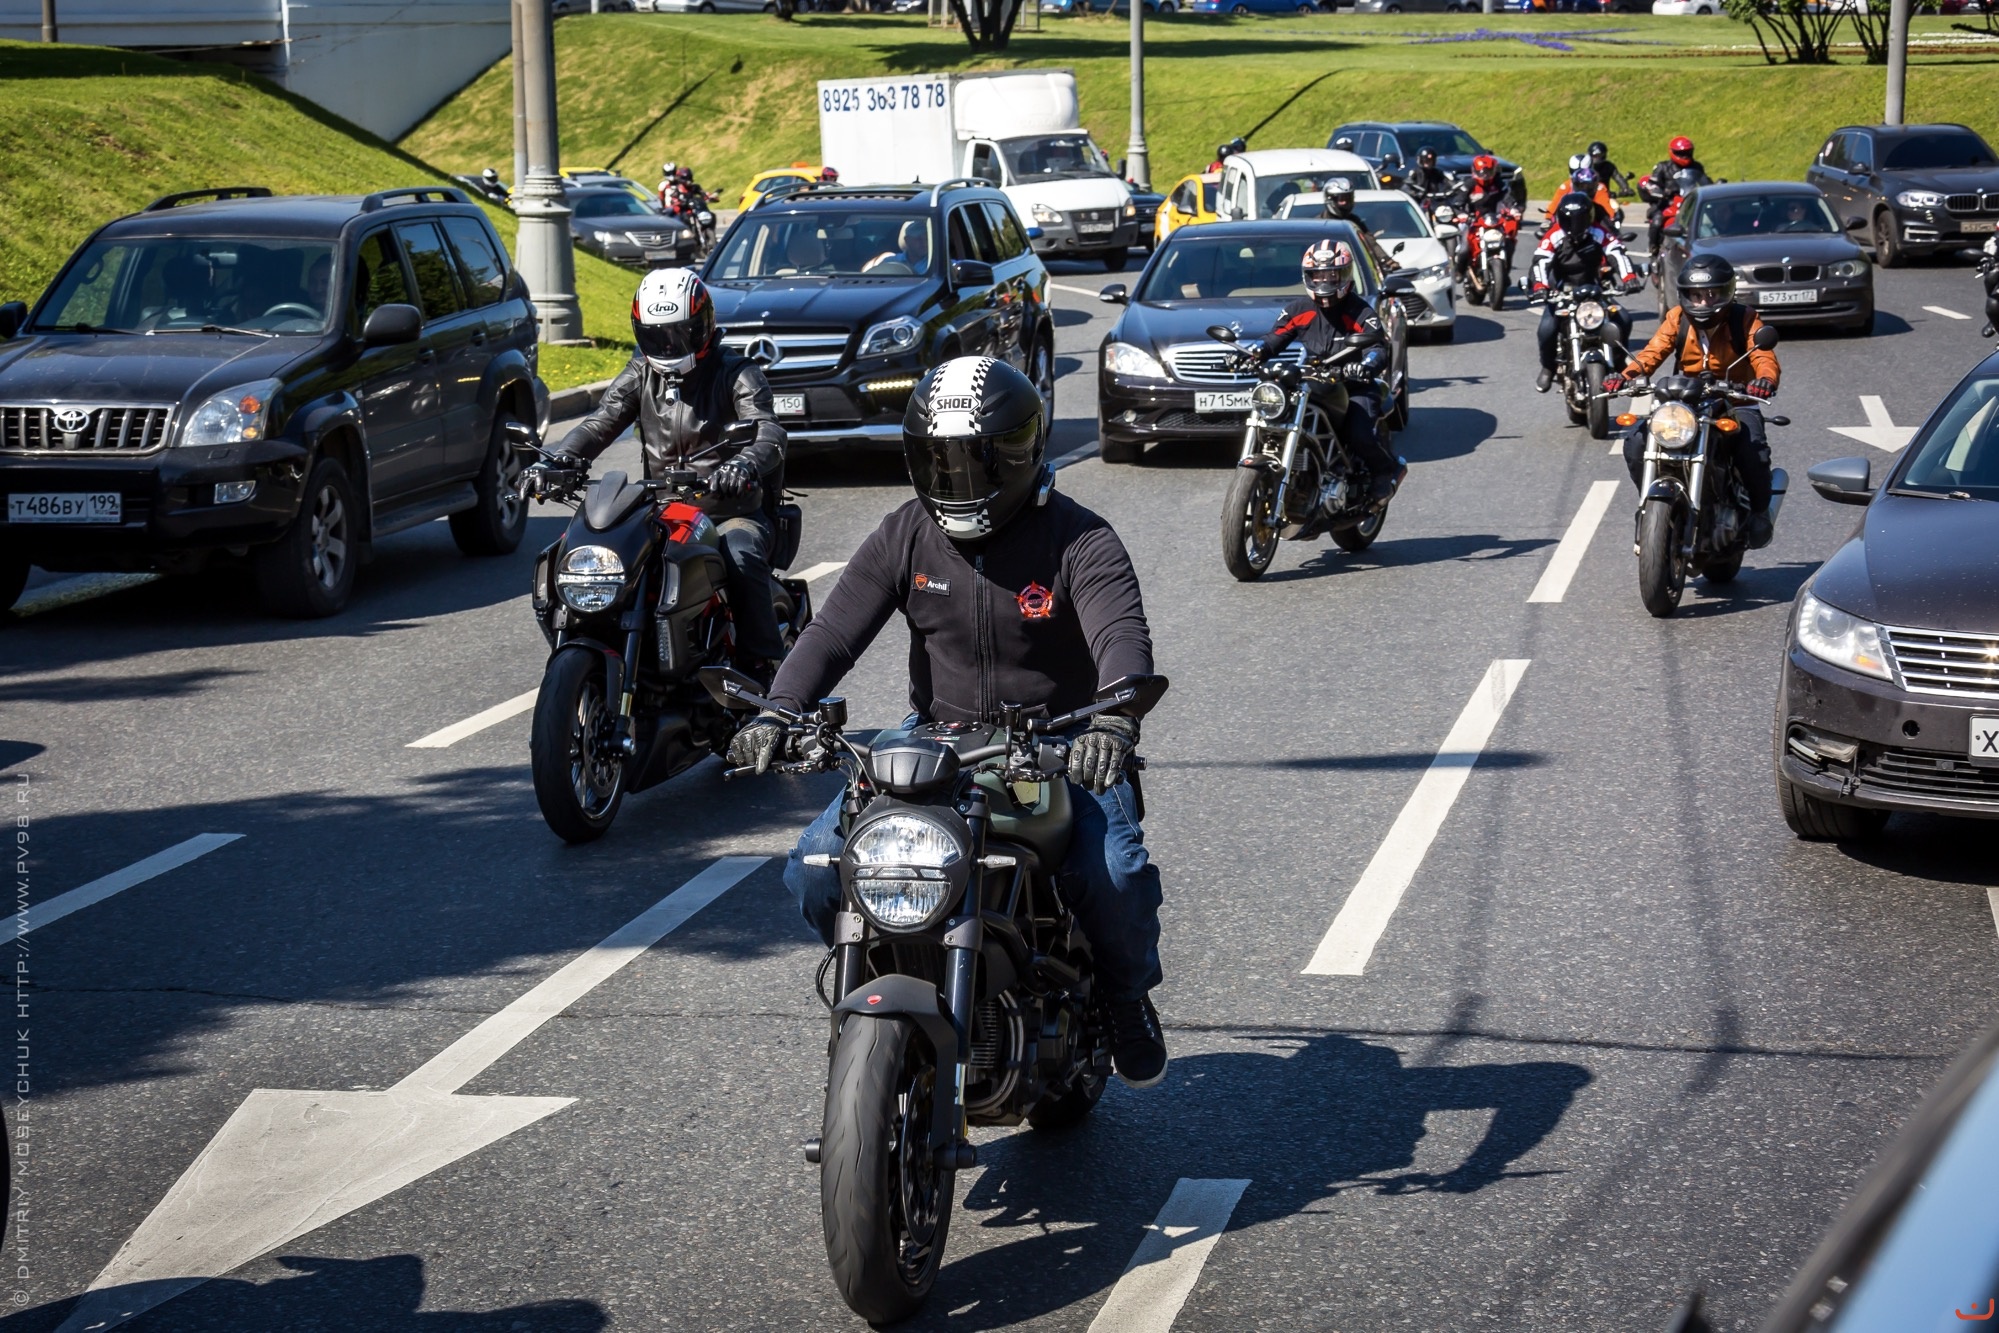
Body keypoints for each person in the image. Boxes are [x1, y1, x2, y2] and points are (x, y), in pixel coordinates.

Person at [730, 356, 1172, 1089]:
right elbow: (832, 634)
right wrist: (780, 709)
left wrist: (1114, 722)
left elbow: (1121, 639)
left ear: (1019, 450)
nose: (955, 478)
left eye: (974, 459)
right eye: (938, 460)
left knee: (1114, 871)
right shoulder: (905, 533)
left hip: (1061, 741)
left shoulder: (1079, 539)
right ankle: (886, 978)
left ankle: (1127, 997)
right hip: (937, 737)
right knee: (814, 868)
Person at [548, 268, 790, 676]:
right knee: (585, 554)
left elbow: (769, 430)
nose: (668, 345)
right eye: (656, 336)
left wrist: (742, 463)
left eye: (680, 333)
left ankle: (764, 667)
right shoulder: (641, 372)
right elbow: (601, 421)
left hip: (728, 511)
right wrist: (557, 460)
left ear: (703, 325)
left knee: (740, 553)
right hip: (660, 511)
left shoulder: (736, 371)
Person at [1605, 255, 1781, 548]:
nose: (1703, 302)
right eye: (1696, 295)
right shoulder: (1676, 318)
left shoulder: (1745, 318)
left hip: (1736, 399)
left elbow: (1763, 356)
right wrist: (1626, 376)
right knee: (1636, 442)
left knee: (1752, 450)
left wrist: (1764, 380)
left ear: (1727, 292)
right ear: (1685, 295)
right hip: (1687, 401)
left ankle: (1759, 512)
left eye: (1712, 295)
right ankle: (1649, 505)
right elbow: (1652, 352)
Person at [1256, 238, 1404, 503]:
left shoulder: (1360, 311)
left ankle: (1386, 470)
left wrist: (1366, 366)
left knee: (1358, 433)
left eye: (1331, 275)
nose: (1324, 281)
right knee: (1276, 417)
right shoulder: (1298, 310)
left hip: (1355, 385)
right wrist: (1253, 353)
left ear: (1344, 275)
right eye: (1317, 275)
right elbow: (1274, 338)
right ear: (1308, 276)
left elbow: (1377, 347)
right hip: (1315, 382)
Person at [1529, 192, 1640, 394]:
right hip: (1562, 292)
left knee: (1624, 319)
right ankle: (1548, 368)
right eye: (1570, 220)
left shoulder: (1599, 232)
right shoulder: (1553, 235)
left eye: (1580, 219)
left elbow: (1616, 253)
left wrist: (1629, 278)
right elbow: (1541, 261)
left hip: (1595, 290)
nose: (1575, 225)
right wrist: (1540, 287)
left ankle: (1618, 360)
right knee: (1546, 330)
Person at [1639, 136, 1707, 255]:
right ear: (1673, 152)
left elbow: (1705, 181)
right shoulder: (1663, 167)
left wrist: (1714, 187)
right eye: (1681, 153)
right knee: (1657, 221)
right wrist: (1660, 191)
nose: (1685, 156)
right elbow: (1652, 183)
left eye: (1687, 152)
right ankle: (1653, 246)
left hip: (1690, 200)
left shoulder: (1696, 167)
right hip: (1667, 202)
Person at [1450, 154, 1513, 277]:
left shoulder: (1499, 184)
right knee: (1464, 249)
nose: (1485, 175)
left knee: (1508, 244)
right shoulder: (1469, 184)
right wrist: (1462, 214)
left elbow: (1508, 198)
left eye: (1488, 172)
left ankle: (1504, 273)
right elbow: (1458, 201)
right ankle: (1459, 271)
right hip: (1473, 221)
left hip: (1494, 220)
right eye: (1481, 172)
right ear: (1475, 171)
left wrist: (1511, 209)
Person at [1322, 177, 1395, 272]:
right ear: (1330, 199)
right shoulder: (1319, 224)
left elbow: (1369, 242)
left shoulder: (1354, 221)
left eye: (1348, 198)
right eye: (1341, 199)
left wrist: (1387, 260)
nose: (1345, 203)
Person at [862, 219, 933, 275]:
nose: (924, 243)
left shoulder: (935, 264)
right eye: (918, 239)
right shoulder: (890, 262)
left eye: (927, 239)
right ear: (907, 240)